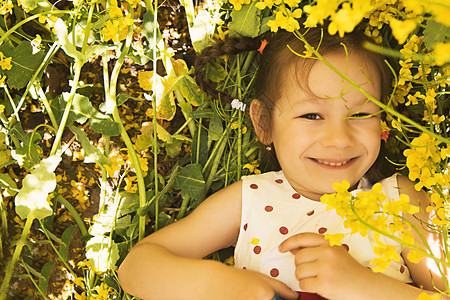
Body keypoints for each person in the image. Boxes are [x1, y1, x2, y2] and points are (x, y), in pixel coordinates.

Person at [118, 27, 448, 300]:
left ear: (383, 121)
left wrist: (364, 286)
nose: (339, 138)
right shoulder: (252, 200)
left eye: (361, 114)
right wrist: (220, 284)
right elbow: (136, 268)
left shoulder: (402, 201)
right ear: (264, 124)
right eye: (312, 115)